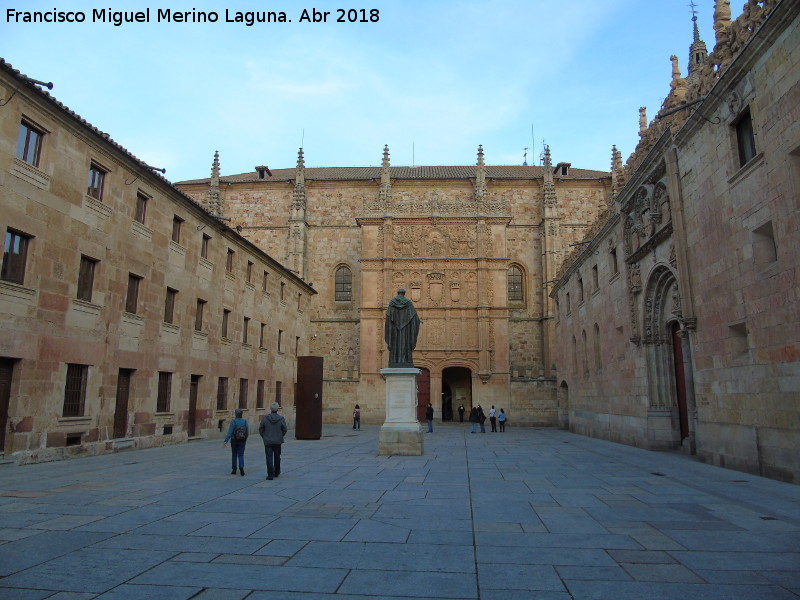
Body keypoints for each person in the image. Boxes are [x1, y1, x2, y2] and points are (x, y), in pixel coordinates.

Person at [384, 289, 421, 367]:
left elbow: (388, 317)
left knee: (395, 344)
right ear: (404, 294)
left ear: (398, 294)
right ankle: (406, 360)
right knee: (405, 343)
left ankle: (394, 361)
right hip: (406, 331)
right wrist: (417, 321)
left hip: (394, 330)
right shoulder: (408, 303)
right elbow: (415, 318)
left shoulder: (392, 303)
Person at [259, 402, 287, 480]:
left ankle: (270, 474)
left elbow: (261, 429)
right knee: (277, 456)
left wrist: (264, 437)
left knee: (269, 457)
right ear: (277, 409)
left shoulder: (265, 418)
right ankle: (277, 472)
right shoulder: (281, 418)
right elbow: (284, 429)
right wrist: (280, 436)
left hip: (268, 441)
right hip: (277, 441)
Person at [222, 408, 248, 476]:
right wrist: (245, 439)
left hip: (234, 440)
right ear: (242, 414)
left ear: (236, 414)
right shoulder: (245, 421)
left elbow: (229, 433)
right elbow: (247, 432)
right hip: (242, 440)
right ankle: (241, 467)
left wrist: (225, 441)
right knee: (241, 454)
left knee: (234, 454)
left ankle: (234, 469)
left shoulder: (233, 422)